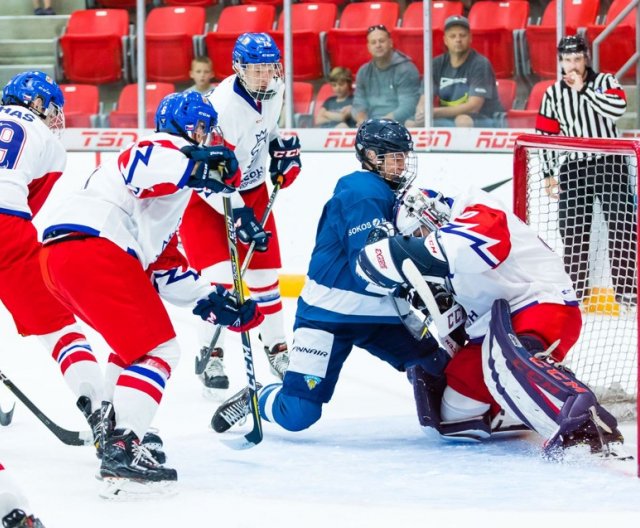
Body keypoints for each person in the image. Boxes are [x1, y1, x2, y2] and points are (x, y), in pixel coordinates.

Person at [38, 91, 264, 497]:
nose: (207, 136)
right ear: (181, 127)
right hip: (94, 247)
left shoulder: (169, 197)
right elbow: (150, 167)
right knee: (160, 351)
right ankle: (123, 448)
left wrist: (216, 303)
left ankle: (111, 429)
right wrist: (201, 163)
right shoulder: (160, 148)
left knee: (131, 347)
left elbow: (164, 268)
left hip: (62, 260)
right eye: (201, 128)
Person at [210, 119, 450, 435]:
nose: (401, 163)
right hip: (329, 315)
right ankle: (258, 398)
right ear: (370, 156)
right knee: (297, 415)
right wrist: (421, 284)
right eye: (393, 156)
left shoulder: (400, 194)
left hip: (383, 315)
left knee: (440, 369)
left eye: (404, 155)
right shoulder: (362, 192)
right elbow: (371, 266)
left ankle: (443, 414)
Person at [356, 184, 627, 458]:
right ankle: (525, 406)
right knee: (452, 416)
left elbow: (485, 243)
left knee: (504, 363)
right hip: (492, 328)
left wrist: (403, 255)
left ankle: (586, 426)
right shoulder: (442, 259)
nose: (420, 240)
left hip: (540, 303)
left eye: (418, 234)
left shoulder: (472, 205)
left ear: (431, 214)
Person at [179, 33, 301, 393]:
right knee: (219, 282)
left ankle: (277, 348)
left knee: (265, 277)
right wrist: (237, 214)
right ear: (239, 68)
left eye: (269, 68)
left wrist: (283, 151)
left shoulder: (275, 90)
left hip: (252, 190)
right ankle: (210, 352)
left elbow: (268, 131)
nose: (265, 76)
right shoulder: (226, 107)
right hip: (206, 200)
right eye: (256, 69)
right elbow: (205, 177)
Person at [0, 71, 108, 442]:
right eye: (52, 109)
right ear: (38, 105)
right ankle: (99, 409)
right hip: (8, 230)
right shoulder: (50, 143)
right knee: (59, 326)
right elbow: (26, 206)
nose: (55, 118)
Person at [536, 35, 636, 305]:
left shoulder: (605, 81)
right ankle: (575, 292)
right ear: (560, 61)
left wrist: (584, 90)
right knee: (572, 231)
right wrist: (548, 173)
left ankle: (627, 293)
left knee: (623, 227)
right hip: (574, 167)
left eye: (577, 58)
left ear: (586, 58)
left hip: (609, 164)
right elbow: (545, 136)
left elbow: (617, 109)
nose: (573, 65)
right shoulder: (552, 94)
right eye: (567, 59)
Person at [411, 15, 503, 128]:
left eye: (462, 35)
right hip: (447, 117)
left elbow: (474, 106)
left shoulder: (480, 63)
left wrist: (434, 112)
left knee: (462, 120)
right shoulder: (436, 63)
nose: (458, 40)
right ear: (445, 40)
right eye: (452, 36)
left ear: (470, 38)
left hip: (482, 118)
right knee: (411, 123)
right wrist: (421, 112)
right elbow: (424, 98)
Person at [352, 25, 420, 127]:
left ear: (390, 43)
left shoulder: (406, 69)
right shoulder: (363, 71)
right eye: (373, 42)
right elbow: (358, 103)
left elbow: (408, 106)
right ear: (369, 47)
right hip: (372, 125)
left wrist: (380, 124)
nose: (378, 45)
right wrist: (361, 119)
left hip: (399, 124)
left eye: (382, 41)